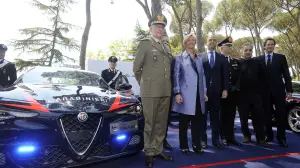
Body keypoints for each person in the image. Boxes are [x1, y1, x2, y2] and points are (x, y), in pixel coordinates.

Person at [133, 14, 173, 168]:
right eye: (157, 26)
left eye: (162, 27)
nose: (160, 29)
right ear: (150, 28)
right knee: (150, 123)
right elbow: (136, 68)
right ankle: (149, 152)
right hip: (150, 91)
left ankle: (158, 149)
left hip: (165, 89)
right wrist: (145, 85)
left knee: (161, 123)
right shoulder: (145, 44)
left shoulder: (166, 45)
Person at [172, 33, 208, 155]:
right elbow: (176, 76)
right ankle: (183, 145)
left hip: (198, 95)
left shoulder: (199, 58)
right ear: (185, 43)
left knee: (197, 123)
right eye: (189, 40)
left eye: (193, 40)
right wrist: (177, 93)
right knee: (183, 123)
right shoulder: (179, 58)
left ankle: (197, 145)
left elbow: (202, 76)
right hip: (185, 96)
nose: (192, 42)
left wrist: (204, 92)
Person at [258, 38, 292, 147]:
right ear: (264, 46)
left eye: (272, 44)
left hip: (279, 91)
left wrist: (289, 90)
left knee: (280, 115)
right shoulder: (258, 59)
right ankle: (269, 135)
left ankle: (281, 138)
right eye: (268, 44)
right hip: (264, 93)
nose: (270, 46)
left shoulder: (281, 58)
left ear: (274, 46)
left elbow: (286, 75)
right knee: (266, 115)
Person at [200, 35, 229, 150]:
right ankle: (203, 140)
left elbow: (225, 75)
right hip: (204, 93)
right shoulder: (200, 57)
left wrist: (225, 89)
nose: (212, 42)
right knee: (202, 118)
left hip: (217, 93)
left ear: (216, 43)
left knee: (215, 118)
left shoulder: (222, 58)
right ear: (206, 42)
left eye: (214, 40)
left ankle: (216, 140)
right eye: (210, 40)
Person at [238, 44, 267, 145]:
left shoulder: (257, 62)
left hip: (256, 95)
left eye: (250, 50)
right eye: (246, 50)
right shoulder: (238, 62)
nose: (248, 52)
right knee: (243, 118)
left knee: (258, 118)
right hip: (242, 96)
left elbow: (263, 78)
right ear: (242, 51)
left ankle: (261, 138)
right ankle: (246, 136)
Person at [218, 37, 241, 146]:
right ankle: (223, 137)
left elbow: (239, 76)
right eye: (228, 46)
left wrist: (235, 87)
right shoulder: (218, 60)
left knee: (232, 115)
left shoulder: (235, 61)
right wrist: (224, 88)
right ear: (222, 47)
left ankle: (231, 137)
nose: (230, 47)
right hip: (222, 93)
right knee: (222, 115)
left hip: (233, 94)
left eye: (231, 46)